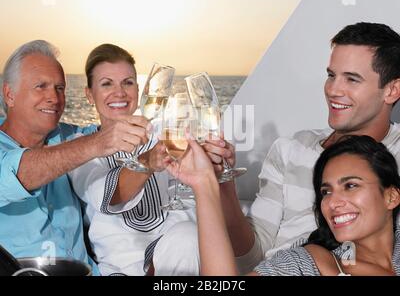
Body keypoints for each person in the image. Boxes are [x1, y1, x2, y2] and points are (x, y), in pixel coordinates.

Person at [153, 22, 400, 275]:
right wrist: (220, 183)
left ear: (392, 90)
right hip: (280, 268)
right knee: (181, 239)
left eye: (352, 79)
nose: (333, 90)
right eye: (331, 75)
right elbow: (252, 255)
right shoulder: (291, 148)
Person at [0, 40, 149, 274]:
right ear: (9, 94)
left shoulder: (70, 137)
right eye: (41, 86)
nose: (54, 98)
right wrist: (98, 143)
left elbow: (111, 125)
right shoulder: (79, 144)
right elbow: (18, 173)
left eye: (60, 88)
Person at [171, 134, 400, 275]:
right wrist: (205, 185)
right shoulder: (307, 264)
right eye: (325, 191)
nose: (332, 202)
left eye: (350, 185)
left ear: (392, 197)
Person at [68, 43, 198, 275]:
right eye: (106, 84)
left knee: (187, 235)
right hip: (121, 268)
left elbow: (187, 199)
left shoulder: (164, 138)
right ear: (89, 94)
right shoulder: (81, 148)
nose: (120, 92)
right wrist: (148, 163)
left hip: (176, 254)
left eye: (128, 82)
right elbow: (110, 196)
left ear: (139, 90)